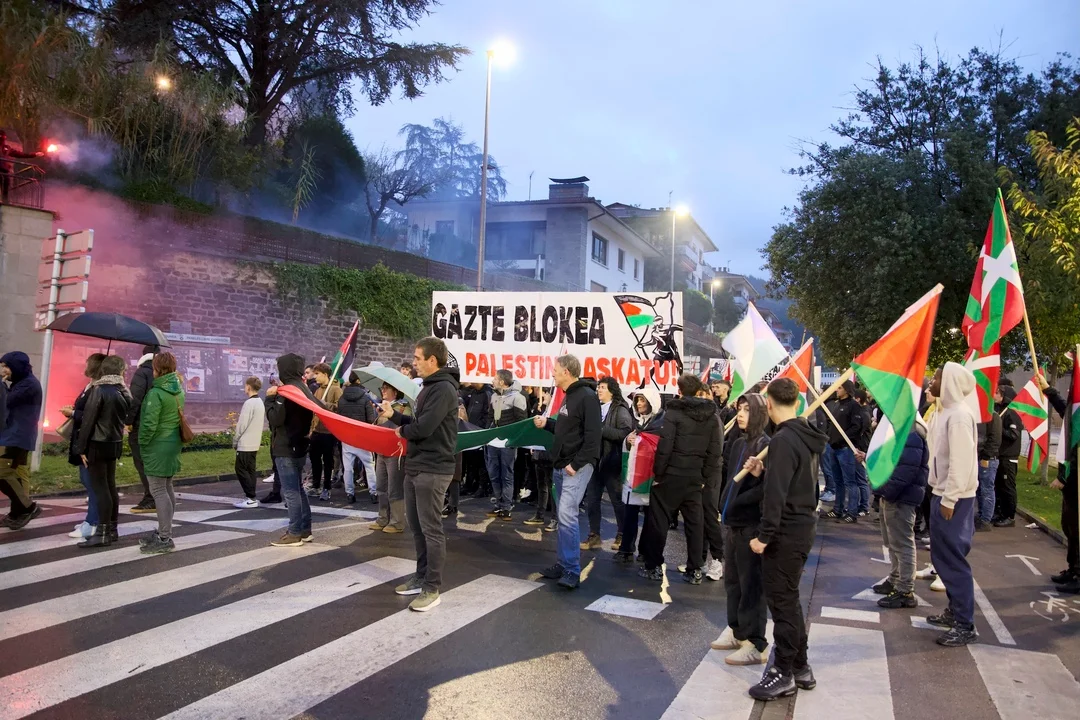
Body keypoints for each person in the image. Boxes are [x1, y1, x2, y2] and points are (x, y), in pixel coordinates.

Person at [745, 377, 827, 701]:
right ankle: (800, 666)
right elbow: (797, 482)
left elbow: (777, 496)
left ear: (768, 404)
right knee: (789, 600)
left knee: (782, 603)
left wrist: (764, 536)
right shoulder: (805, 434)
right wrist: (763, 472)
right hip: (802, 525)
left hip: (786, 531)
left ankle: (783, 672)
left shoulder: (782, 440)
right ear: (796, 402)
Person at [380, 338, 460, 611]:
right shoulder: (429, 387)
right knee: (417, 528)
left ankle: (432, 587)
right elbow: (418, 422)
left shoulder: (444, 389)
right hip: (416, 466)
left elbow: (424, 428)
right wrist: (394, 416)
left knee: (431, 530)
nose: (413, 363)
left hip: (433, 468)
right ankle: (421, 576)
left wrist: (402, 431)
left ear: (432, 360)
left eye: (417, 358)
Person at [639, 374, 722, 585]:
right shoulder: (712, 416)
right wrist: (704, 476)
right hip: (695, 477)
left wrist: (659, 473)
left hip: (671, 475)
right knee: (695, 524)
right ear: (699, 390)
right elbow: (715, 451)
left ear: (680, 390)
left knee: (659, 521)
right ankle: (695, 569)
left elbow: (665, 447)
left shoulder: (674, 413)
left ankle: (654, 566)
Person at [711, 393, 771, 665]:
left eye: (748, 409)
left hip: (751, 524)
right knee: (733, 582)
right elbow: (729, 479)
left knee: (751, 585)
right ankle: (737, 631)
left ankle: (755, 642)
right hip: (732, 522)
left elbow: (768, 488)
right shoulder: (738, 443)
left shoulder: (767, 446)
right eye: (740, 409)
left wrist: (758, 476)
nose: (742, 414)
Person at [533, 354, 602, 589]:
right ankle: (563, 564)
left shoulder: (587, 397)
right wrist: (547, 424)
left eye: (555, 369)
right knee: (563, 517)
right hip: (563, 465)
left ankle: (572, 569)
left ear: (567, 372)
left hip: (575, 467)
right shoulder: (569, 396)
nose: (552, 373)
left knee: (567, 515)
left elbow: (593, 438)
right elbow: (567, 430)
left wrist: (576, 464)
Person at [924, 362, 980, 646]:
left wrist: (949, 498)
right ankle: (955, 611)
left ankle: (964, 624)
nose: (931, 382)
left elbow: (961, 461)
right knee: (942, 558)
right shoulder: (944, 413)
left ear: (949, 383)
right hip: (942, 493)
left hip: (954, 498)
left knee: (953, 561)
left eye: (936, 378)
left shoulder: (958, 416)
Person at [74, 355, 132, 548]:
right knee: (110, 486)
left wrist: (81, 447)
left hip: (97, 443)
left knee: (100, 489)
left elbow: (89, 420)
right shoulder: (123, 391)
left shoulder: (99, 390)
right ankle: (112, 529)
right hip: (114, 443)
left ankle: (102, 532)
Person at [871, 420, 929, 609]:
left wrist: (886, 490)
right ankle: (895, 579)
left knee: (902, 543)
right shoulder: (902, 429)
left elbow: (906, 470)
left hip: (900, 497)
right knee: (893, 542)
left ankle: (905, 590)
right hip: (892, 494)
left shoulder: (911, 433)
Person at [266, 354, 318, 547]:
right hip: (300, 445)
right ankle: (305, 529)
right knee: (298, 489)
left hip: (286, 446)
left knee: (291, 492)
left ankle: (294, 532)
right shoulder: (304, 388)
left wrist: (270, 399)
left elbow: (276, 419)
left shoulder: (287, 391)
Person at [138, 352, 186, 555]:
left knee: (158, 490)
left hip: (157, 445)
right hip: (173, 443)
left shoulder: (156, 393)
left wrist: (142, 443)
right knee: (167, 487)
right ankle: (164, 532)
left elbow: (149, 424)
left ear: (157, 368)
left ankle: (165, 537)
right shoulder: (178, 390)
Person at [1038, 373, 1080, 594]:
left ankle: (1079, 574)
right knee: (1069, 526)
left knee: (1077, 528)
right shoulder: (1076, 414)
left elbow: (1075, 452)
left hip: (1076, 481)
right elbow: (1066, 412)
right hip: (1072, 484)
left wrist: (1063, 476)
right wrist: (1048, 389)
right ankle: (1073, 569)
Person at [583, 376, 633, 550]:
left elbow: (625, 433)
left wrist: (602, 430)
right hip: (594, 462)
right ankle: (594, 535)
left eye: (603, 387)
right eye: (598, 387)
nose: (599, 390)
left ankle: (622, 535)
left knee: (617, 502)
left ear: (612, 391)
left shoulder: (620, 409)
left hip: (612, 463)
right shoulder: (594, 408)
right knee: (592, 501)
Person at [615, 387, 664, 562]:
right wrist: (629, 441)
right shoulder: (638, 423)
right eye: (637, 401)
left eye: (643, 401)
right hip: (634, 476)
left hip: (650, 476)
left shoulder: (661, 424)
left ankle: (645, 551)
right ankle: (626, 549)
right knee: (630, 514)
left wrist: (640, 442)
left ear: (652, 402)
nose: (639, 404)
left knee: (650, 518)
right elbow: (632, 445)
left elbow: (660, 448)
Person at [62, 353, 107, 539]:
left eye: (87, 363)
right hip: (83, 439)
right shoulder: (91, 386)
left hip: (91, 441)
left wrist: (73, 414)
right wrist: (74, 411)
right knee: (87, 480)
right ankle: (91, 519)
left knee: (92, 483)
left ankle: (92, 522)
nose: (84, 365)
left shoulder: (99, 388)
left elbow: (94, 416)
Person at [0, 351, 43, 530]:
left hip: (17, 437)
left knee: (3, 472)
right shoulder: (21, 383)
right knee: (16, 473)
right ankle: (17, 512)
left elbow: (6, 402)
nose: (3, 370)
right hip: (14, 435)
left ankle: (28, 507)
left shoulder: (29, 385)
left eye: (6, 366)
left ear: (16, 367)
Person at [484, 369, 527, 520]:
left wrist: (513, 440)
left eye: (495, 378)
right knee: (493, 473)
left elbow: (521, 422)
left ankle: (506, 507)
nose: (493, 381)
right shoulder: (494, 396)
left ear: (502, 382)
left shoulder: (518, 398)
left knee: (507, 475)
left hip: (508, 443)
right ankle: (498, 504)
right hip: (493, 441)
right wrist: (487, 436)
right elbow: (490, 418)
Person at [822, 381, 866, 523]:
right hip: (834, 448)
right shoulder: (836, 405)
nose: (837, 390)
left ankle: (852, 512)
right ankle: (838, 509)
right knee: (838, 481)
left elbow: (856, 426)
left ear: (847, 390)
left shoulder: (853, 406)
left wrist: (842, 438)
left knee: (850, 482)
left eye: (840, 387)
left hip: (845, 449)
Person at [697, 384, 726, 582]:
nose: (700, 398)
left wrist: (704, 477)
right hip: (697, 473)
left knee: (709, 516)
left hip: (710, 475)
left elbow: (715, 452)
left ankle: (717, 560)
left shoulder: (714, 418)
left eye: (704, 394)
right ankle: (698, 560)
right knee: (697, 518)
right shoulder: (697, 417)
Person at [372, 383, 410, 532]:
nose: (383, 391)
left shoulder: (403, 407)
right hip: (382, 450)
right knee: (381, 486)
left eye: (386, 388)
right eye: (382, 388)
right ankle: (383, 518)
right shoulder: (381, 407)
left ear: (395, 391)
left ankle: (396, 522)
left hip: (396, 451)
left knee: (395, 488)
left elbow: (404, 422)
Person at [126, 345, 159, 514]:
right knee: (154, 463)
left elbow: (135, 399)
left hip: (142, 425)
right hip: (159, 426)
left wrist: (128, 420)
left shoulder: (142, 372)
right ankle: (159, 496)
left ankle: (151, 498)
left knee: (142, 462)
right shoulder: (165, 373)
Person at [337, 371, 378, 504]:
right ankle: (373, 493)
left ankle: (350, 493)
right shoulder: (366, 398)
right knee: (369, 466)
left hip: (347, 437)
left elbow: (339, 417)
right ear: (359, 381)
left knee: (348, 468)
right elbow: (371, 419)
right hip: (363, 436)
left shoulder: (342, 398)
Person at [308, 363, 342, 501]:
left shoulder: (336, 389)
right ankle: (316, 485)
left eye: (317, 374)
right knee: (314, 459)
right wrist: (311, 429)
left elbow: (339, 408)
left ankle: (327, 487)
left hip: (329, 432)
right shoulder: (317, 391)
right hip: (317, 430)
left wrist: (325, 404)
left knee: (328, 461)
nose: (315, 376)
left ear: (325, 375)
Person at [525, 389, 556, 529]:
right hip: (539, 453)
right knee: (541, 485)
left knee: (551, 487)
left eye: (547, 394)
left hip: (550, 454)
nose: (544, 396)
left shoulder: (555, 413)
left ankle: (555, 518)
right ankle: (539, 515)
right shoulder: (541, 410)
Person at [233, 376, 265, 509]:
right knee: (250, 470)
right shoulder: (260, 402)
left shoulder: (249, 403)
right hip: (254, 442)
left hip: (245, 443)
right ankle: (251, 497)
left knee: (240, 468)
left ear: (248, 387)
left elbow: (242, 425)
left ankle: (250, 497)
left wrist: (235, 440)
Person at [992, 385, 1022, 527]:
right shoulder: (998, 410)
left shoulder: (1011, 413)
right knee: (999, 487)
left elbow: (1014, 435)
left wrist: (999, 429)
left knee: (1008, 487)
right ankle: (1001, 512)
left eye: (996, 392)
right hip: (1000, 455)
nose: (993, 395)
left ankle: (1010, 516)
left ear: (1003, 395)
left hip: (1009, 456)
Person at [975, 405, 1002, 531]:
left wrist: (986, 456)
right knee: (980, 489)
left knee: (986, 489)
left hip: (988, 458)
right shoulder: (980, 415)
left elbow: (995, 439)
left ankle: (985, 519)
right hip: (980, 456)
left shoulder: (993, 416)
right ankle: (982, 515)